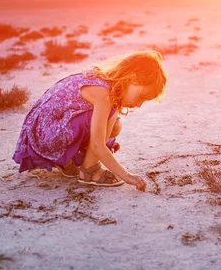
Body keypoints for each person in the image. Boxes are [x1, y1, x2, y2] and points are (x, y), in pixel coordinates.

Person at [12, 50, 167, 191]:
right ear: (130, 79)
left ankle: (68, 162)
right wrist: (127, 175)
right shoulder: (103, 93)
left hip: (46, 132)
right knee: (108, 118)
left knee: (114, 124)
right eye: (141, 96)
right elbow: (97, 145)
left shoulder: (105, 83)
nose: (139, 104)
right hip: (45, 136)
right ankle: (90, 170)